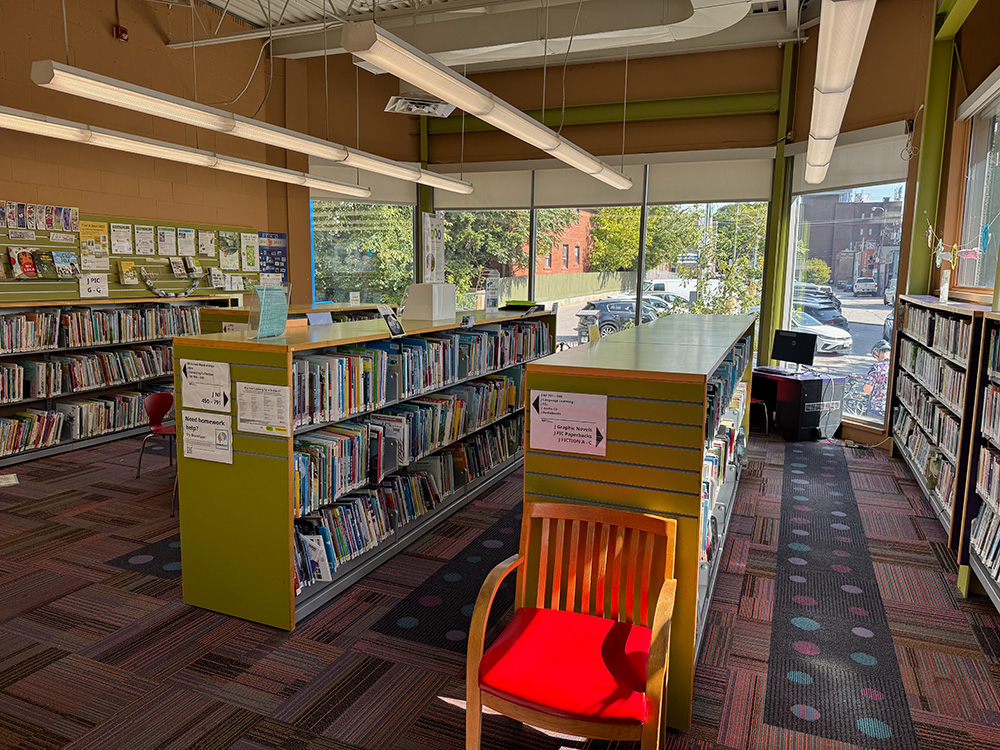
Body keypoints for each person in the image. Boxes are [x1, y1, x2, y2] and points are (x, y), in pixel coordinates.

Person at [863, 340, 891, 420]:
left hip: (876, 411)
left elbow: (867, 390)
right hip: (889, 410)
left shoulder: (876, 368)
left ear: (877, 352)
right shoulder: (894, 366)